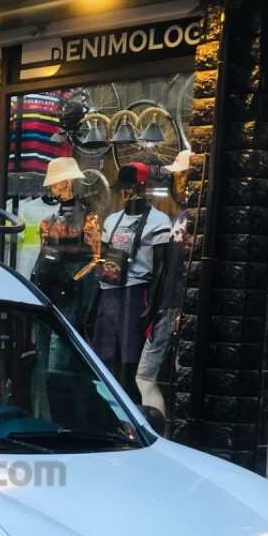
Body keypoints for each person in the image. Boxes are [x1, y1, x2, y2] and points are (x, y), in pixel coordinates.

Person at [89, 162, 172, 399]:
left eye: (131, 187)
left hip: (136, 294)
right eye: (123, 188)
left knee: (130, 360)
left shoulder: (159, 221)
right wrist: (95, 303)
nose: (126, 192)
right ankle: (108, 413)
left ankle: (131, 417)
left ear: (143, 186)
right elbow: (103, 262)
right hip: (109, 293)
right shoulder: (111, 220)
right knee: (105, 359)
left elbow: (161, 269)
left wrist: (152, 309)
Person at [136, 149, 191, 417]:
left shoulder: (189, 217)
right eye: (176, 177)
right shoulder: (181, 215)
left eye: (181, 176)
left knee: (176, 375)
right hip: (168, 303)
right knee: (145, 375)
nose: (177, 182)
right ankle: (159, 433)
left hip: (178, 305)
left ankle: (166, 435)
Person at [28, 157, 101, 332]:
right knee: (43, 344)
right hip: (47, 288)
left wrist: (72, 279)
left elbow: (95, 258)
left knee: (58, 348)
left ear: (67, 183)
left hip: (70, 293)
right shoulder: (48, 221)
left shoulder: (88, 218)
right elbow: (43, 254)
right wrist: (35, 276)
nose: (52, 191)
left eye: (55, 184)